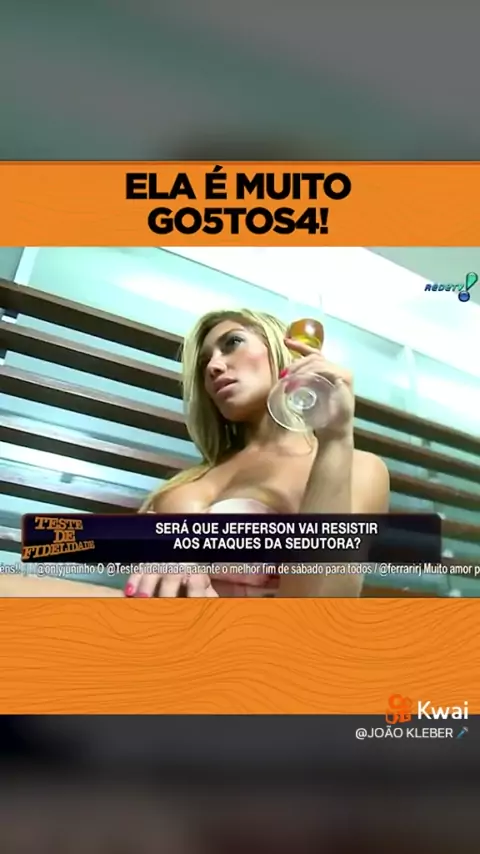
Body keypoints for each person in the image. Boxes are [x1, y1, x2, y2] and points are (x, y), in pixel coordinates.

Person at [124, 309, 390, 598]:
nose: (213, 366)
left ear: (283, 350)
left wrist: (336, 437)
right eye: (204, 362)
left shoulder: (357, 468)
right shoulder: (187, 481)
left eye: (232, 343)